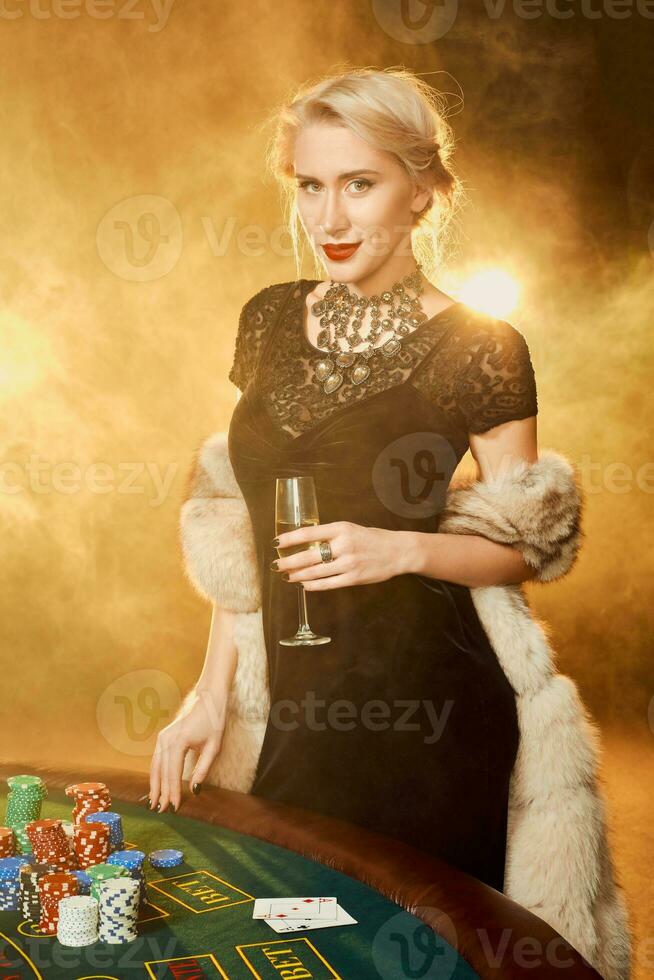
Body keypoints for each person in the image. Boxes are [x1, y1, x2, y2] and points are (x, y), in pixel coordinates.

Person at [149, 66, 540, 893]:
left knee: (406, 944)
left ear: (422, 191)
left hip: (425, 711)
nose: (328, 217)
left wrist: (399, 549)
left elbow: (522, 546)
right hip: (290, 707)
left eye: (359, 185)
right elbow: (247, 526)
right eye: (310, 186)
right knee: (280, 929)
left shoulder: (484, 345)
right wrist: (209, 694)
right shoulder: (266, 319)